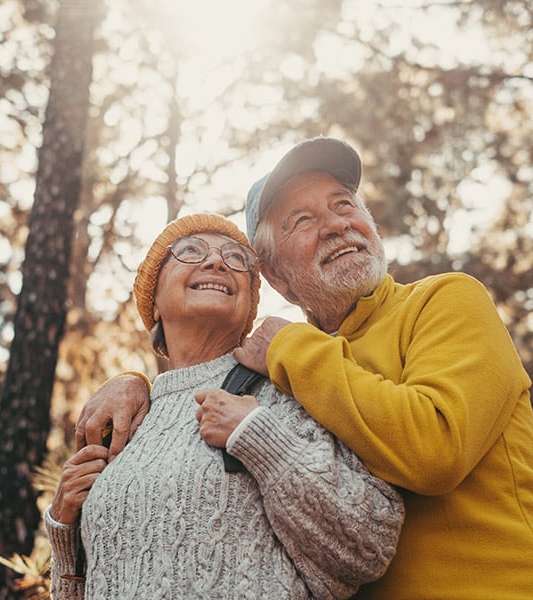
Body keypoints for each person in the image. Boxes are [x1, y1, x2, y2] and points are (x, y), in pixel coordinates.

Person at [77, 137, 533, 600]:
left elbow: (437, 450)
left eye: (344, 204)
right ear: (276, 277)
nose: (337, 224)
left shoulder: (444, 301)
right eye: (302, 220)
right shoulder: (283, 373)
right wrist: (137, 386)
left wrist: (290, 347)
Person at [47, 213, 404, 599]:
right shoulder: (124, 421)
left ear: (250, 304)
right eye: (189, 251)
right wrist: (65, 537)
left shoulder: (283, 392)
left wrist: (260, 437)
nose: (216, 262)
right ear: (154, 302)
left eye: (236, 258)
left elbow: (369, 546)